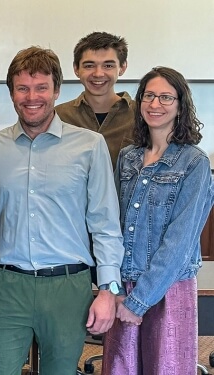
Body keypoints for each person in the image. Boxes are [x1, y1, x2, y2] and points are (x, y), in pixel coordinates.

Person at [0, 46, 125, 374]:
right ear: (11, 93)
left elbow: (105, 224)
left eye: (41, 87)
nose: (32, 97)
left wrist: (109, 289)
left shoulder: (89, 145)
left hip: (67, 287)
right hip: (6, 285)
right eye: (22, 88)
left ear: (57, 90)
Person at [101, 67, 213, 374]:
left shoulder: (194, 162)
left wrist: (140, 301)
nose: (155, 104)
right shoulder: (128, 157)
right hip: (124, 283)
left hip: (168, 288)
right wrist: (113, 288)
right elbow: (112, 225)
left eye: (166, 97)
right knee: (119, 368)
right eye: (149, 96)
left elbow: (180, 242)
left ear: (180, 105)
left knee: (164, 368)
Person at [56, 31, 135, 166]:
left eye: (108, 65)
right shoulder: (58, 116)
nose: (98, 73)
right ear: (76, 69)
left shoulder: (141, 115)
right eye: (89, 66)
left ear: (122, 67)